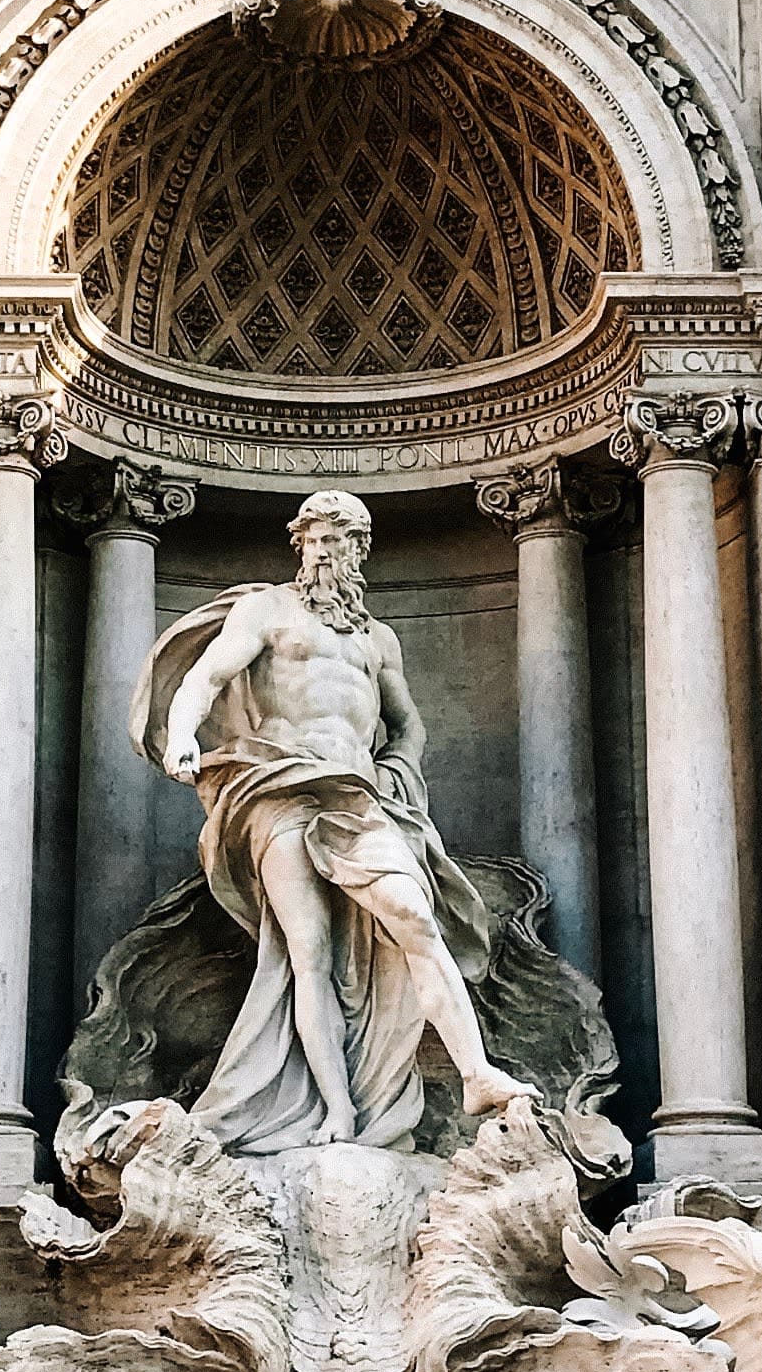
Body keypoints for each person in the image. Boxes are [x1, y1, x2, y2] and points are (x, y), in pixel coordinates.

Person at [139, 490, 531, 1154]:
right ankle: (338, 1110)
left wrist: (398, 771)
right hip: (280, 788)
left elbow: (407, 724)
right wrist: (181, 734)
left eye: (338, 540)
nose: (325, 551)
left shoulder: (377, 640)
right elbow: (205, 678)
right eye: (315, 539)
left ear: (360, 551)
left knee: (415, 919)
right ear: (300, 544)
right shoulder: (267, 610)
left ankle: (476, 1073)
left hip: (357, 797)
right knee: (307, 954)